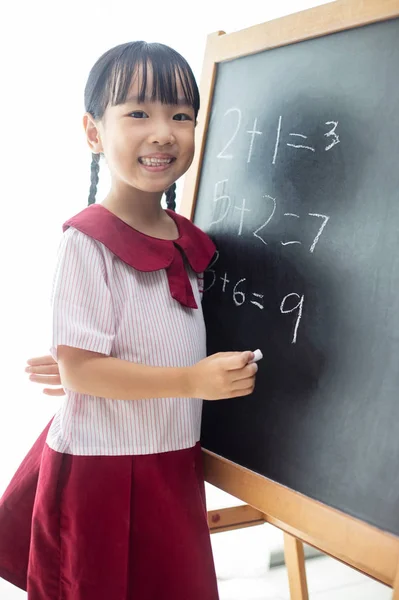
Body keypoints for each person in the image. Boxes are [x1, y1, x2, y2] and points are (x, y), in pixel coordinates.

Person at [0, 41, 258, 600]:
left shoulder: (191, 240)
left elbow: (126, 346)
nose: (163, 132)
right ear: (93, 133)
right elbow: (84, 373)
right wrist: (90, 369)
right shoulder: (87, 241)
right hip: (104, 473)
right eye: (138, 112)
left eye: (181, 115)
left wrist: (88, 363)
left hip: (170, 459)